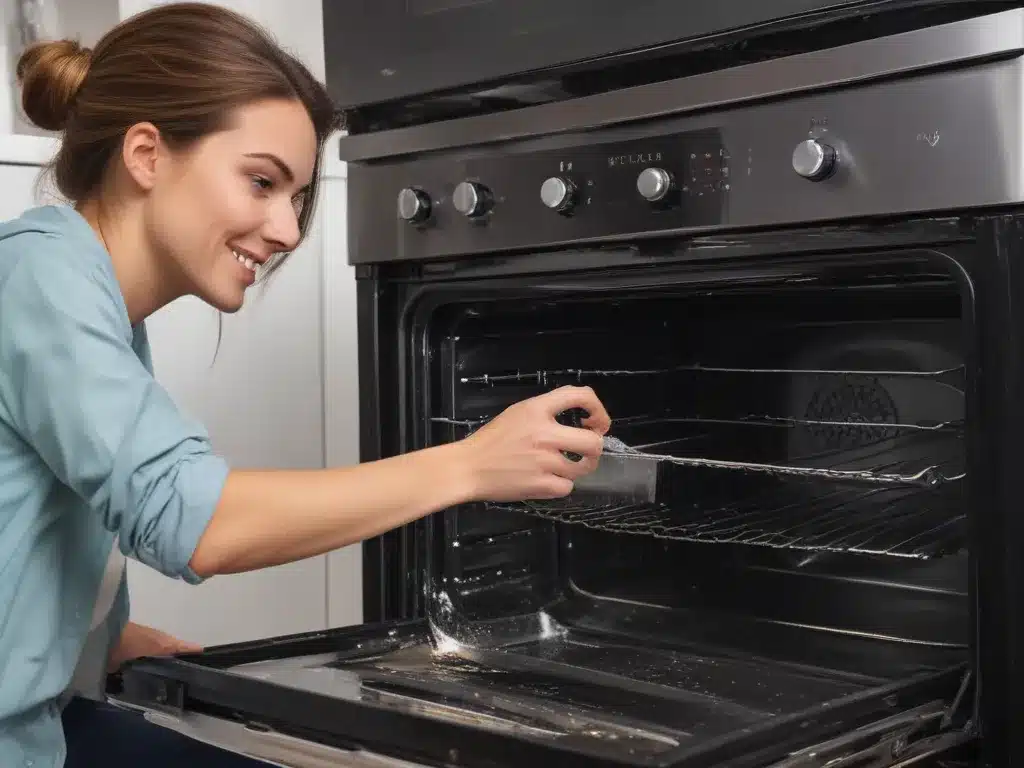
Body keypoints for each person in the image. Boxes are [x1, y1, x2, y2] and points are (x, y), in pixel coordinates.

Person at [0, 4, 611, 767]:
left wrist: (89, 636)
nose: (288, 229)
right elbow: (196, 522)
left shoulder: (87, 292)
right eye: (261, 182)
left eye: (294, 198)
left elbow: (34, 516)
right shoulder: (39, 278)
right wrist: (468, 465)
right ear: (147, 155)